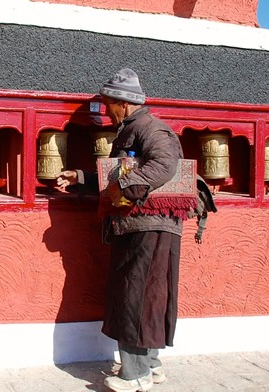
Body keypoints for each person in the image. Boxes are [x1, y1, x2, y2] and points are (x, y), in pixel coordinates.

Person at [57, 68, 193, 392]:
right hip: (137, 227)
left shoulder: (151, 129)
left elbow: (163, 165)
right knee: (144, 295)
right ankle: (150, 365)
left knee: (137, 296)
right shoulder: (130, 130)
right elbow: (113, 177)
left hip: (150, 228)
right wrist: (81, 178)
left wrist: (127, 186)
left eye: (109, 105)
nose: (106, 111)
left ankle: (136, 375)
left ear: (124, 103)